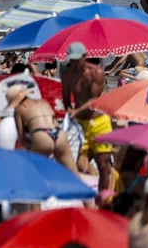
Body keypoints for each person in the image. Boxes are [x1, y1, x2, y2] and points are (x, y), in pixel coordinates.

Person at [61, 42, 113, 192]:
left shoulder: (96, 73)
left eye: (77, 60)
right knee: (78, 163)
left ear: (85, 57)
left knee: (103, 163)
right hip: (79, 122)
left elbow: (94, 100)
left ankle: (103, 197)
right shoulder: (67, 74)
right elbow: (65, 97)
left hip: (99, 121)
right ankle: (83, 193)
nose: (74, 63)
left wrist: (76, 111)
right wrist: (69, 110)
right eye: (72, 60)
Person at [8, 86, 77, 173]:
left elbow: (22, 140)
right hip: (59, 133)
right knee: (73, 173)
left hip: (42, 135)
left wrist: (30, 149)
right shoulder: (43, 102)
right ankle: (80, 186)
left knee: (34, 173)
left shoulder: (19, 109)